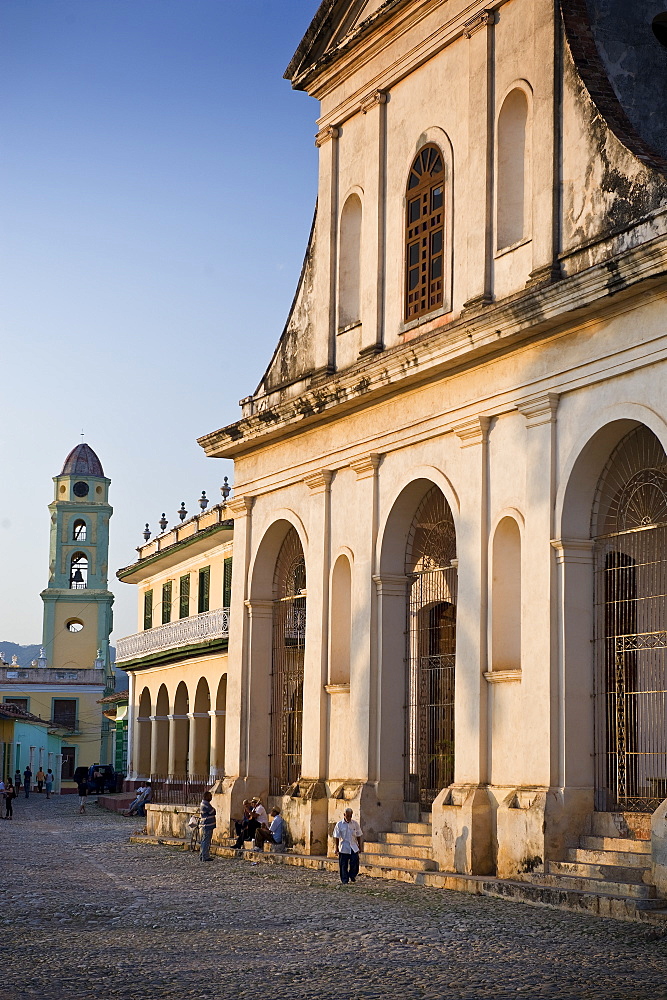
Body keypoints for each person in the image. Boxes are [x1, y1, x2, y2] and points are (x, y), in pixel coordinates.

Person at [333, 808, 364, 885]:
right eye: (347, 816)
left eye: (350, 816)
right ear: (344, 815)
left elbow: (358, 835)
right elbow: (336, 837)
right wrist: (336, 848)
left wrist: (360, 846)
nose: (349, 818)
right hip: (344, 847)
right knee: (343, 864)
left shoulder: (355, 824)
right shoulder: (339, 824)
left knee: (355, 862)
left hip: (353, 846)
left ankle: (352, 875)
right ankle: (344, 879)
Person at [199, 791, 216, 862]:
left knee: (204, 841)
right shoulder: (206, 804)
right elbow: (213, 811)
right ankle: (205, 856)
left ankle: (203, 855)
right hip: (207, 825)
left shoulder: (203, 803)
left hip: (206, 824)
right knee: (206, 841)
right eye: (210, 796)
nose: (211, 797)